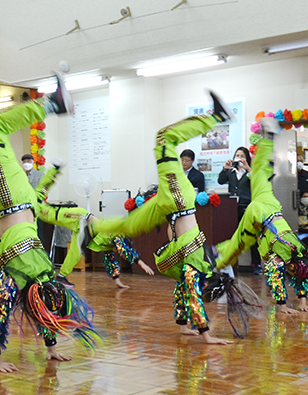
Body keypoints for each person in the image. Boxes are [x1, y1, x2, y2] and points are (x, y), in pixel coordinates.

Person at [0, 76, 99, 371]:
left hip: (15, 205)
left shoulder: (43, 274)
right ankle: (53, 103)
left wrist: (49, 347)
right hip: (13, 202)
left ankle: (53, 103)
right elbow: (3, 311)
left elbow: (39, 309)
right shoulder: (22, 279)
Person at [91, 90, 234, 345]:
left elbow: (186, 293)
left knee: (128, 224)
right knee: (163, 138)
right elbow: (193, 296)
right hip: (178, 202)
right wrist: (207, 335)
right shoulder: (196, 264)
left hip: (172, 206)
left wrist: (184, 326)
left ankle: (89, 224)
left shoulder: (191, 268)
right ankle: (217, 116)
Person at [214, 118, 308, 314]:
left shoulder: (299, 253)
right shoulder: (282, 256)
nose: (292, 272)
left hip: (271, 205)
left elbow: (300, 276)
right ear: (295, 265)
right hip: (260, 215)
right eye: (293, 270)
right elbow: (275, 277)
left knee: (259, 172)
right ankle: (215, 263)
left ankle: (268, 136)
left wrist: (303, 302)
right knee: (238, 243)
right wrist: (283, 306)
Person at [217, 146, 261, 274]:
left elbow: (257, 182)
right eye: (237, 155)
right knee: (232, 237)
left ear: (247, 158)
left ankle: (256, 264)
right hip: (232, 209)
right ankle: (231, 263)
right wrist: (224, 169)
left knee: (251, 237)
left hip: (246, 208)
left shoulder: (250, 172)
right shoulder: (231, 172)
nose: (239, 158)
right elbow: (220, 181)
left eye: (242, 156)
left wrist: (248, 168)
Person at [87, 229, 155, 289]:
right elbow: (124, 251)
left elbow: (111, 261)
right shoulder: (117, 235)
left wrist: (117, 280)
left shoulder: (109, 245)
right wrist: (142, 263)